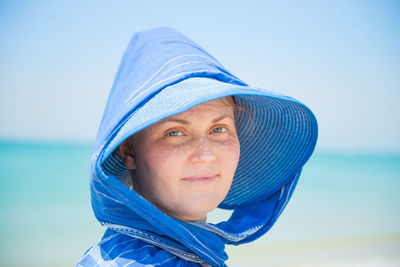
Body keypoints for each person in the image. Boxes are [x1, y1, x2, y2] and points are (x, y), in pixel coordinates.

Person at [76, 27, 318, 266]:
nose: (205, 155)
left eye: (219, 129)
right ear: (129, 151)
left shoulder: (199, 255)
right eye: (175, 133)